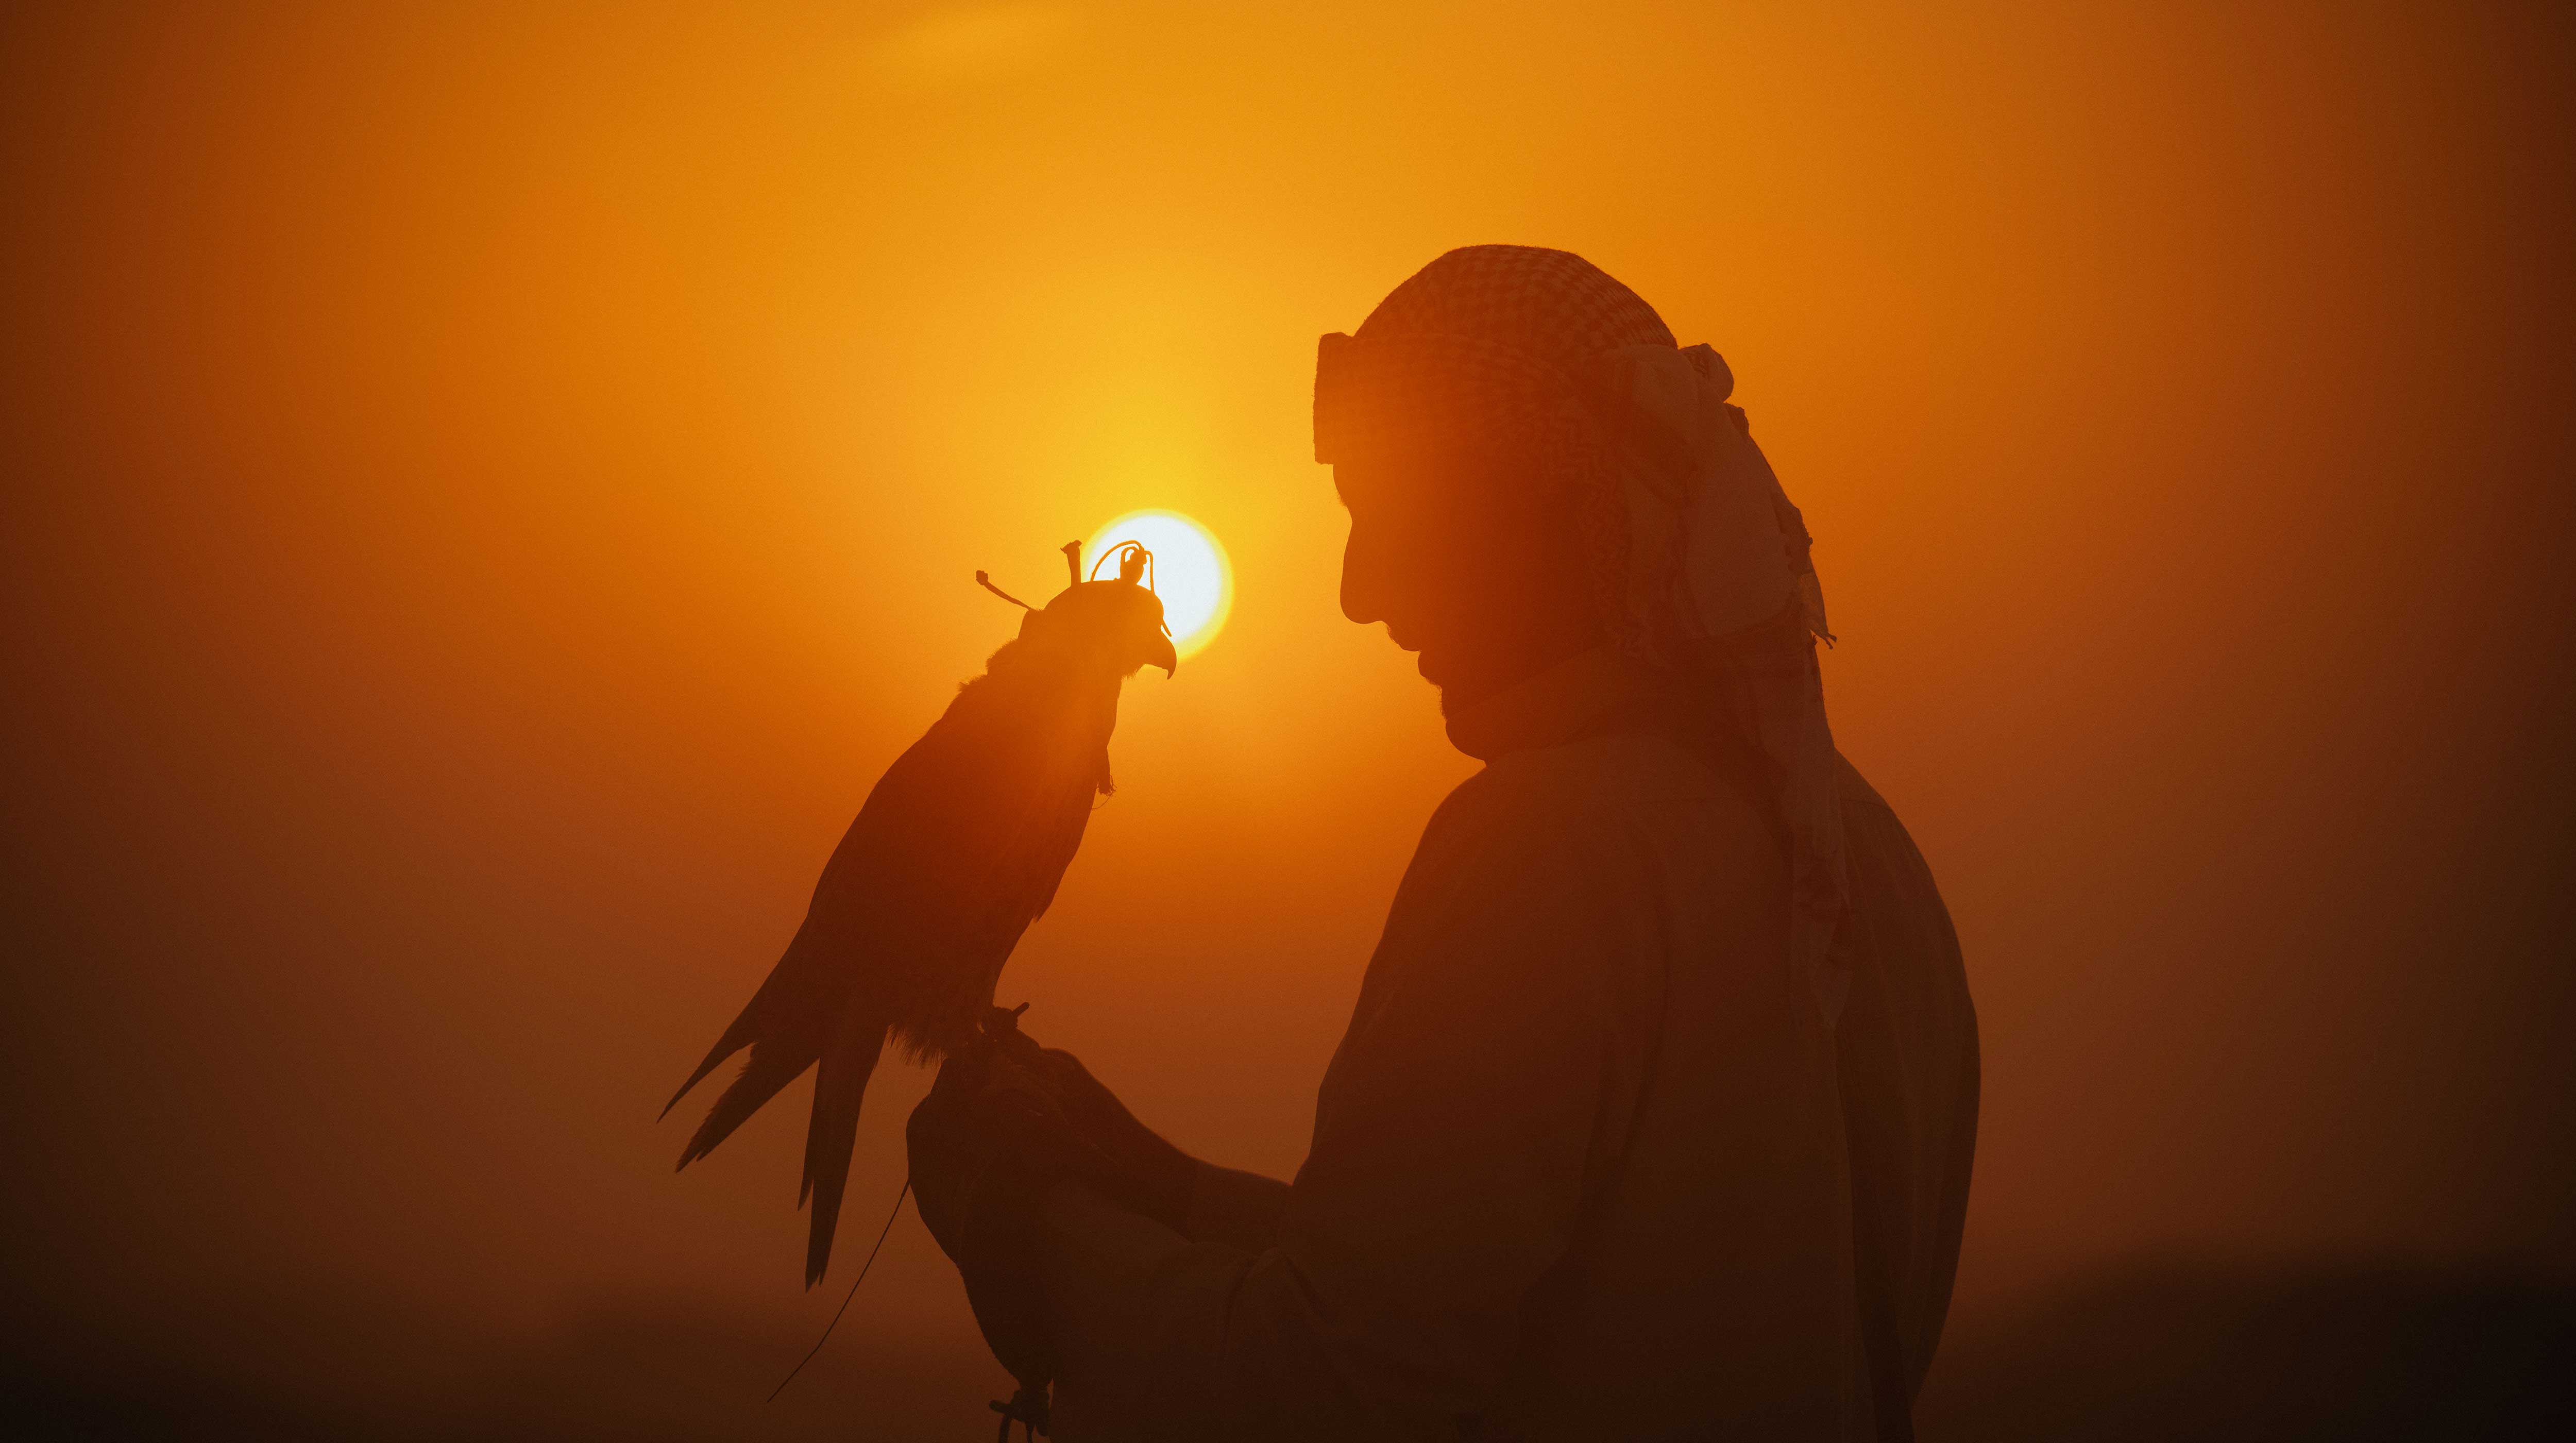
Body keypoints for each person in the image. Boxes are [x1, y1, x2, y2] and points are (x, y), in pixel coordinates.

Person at [907, 244, 1979, 1441]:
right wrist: (1151, 1181)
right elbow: (1559, 1303)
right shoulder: (1858, 850)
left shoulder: (1548, 848)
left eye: (1395, 519)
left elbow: (1334, 1390)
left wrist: (1031, 1225)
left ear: (1566, 514)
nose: (1362, 591)